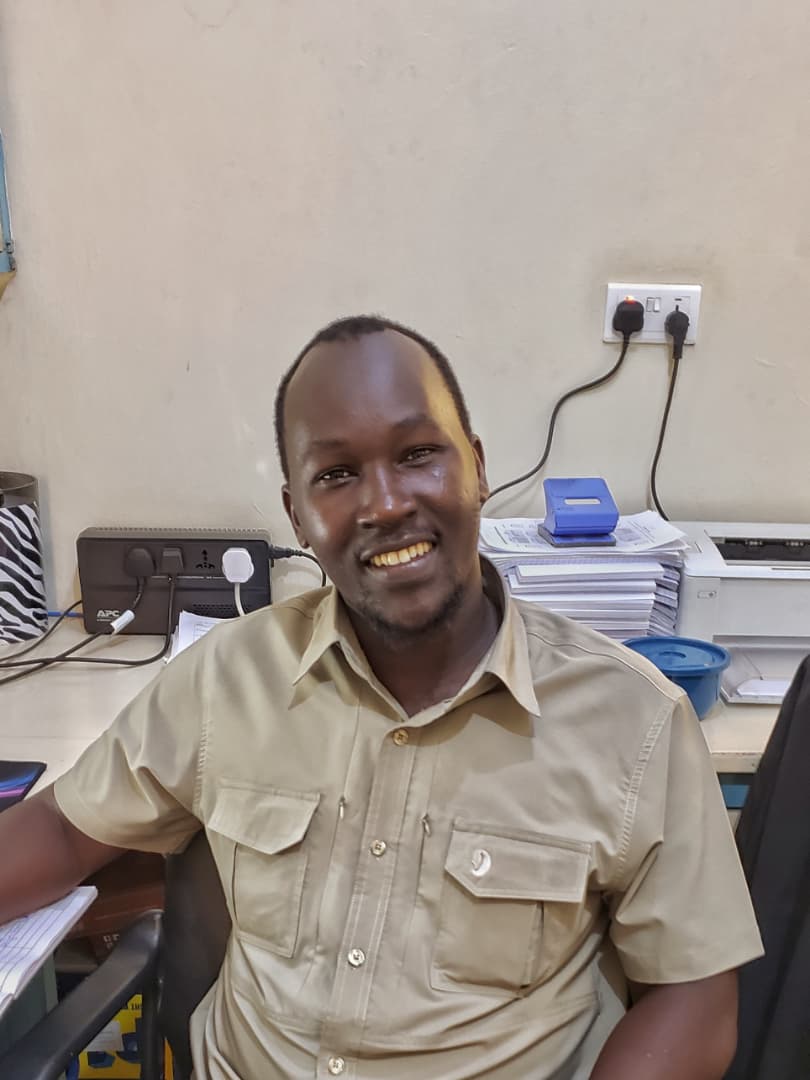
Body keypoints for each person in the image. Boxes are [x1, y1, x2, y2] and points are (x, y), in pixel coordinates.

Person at [0, 315, 762, 1079]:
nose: (387, 503)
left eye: (418, 454)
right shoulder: (227, 677)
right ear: (297, 517)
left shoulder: (633, 721)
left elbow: (694, 994)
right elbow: (64, 829)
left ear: (478, 469)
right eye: (336, 475)